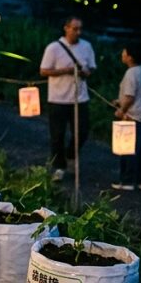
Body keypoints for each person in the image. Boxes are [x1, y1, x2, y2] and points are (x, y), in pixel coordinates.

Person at [39, 16, 96, 182]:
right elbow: (44, 70)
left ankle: (71, 154)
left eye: (80, 29)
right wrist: (65, 70)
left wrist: (86, 72)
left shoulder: (87, 46)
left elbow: (91, 67)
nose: (78, 32)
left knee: (82, 131)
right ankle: (59, 165)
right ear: (66, 28)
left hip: (80, 98)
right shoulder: (53, 48)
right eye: (75, 28)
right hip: (58, 98)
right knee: (57, 134)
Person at [112, 42, 141, 191]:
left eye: (124, 52)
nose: (122, 54)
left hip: (133, 117)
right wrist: (119, 101)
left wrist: (121, 110)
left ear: (130, 57)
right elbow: (140, 94)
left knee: (128, 150)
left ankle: (127, 181)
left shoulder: (130, 73)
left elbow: (129, 97)